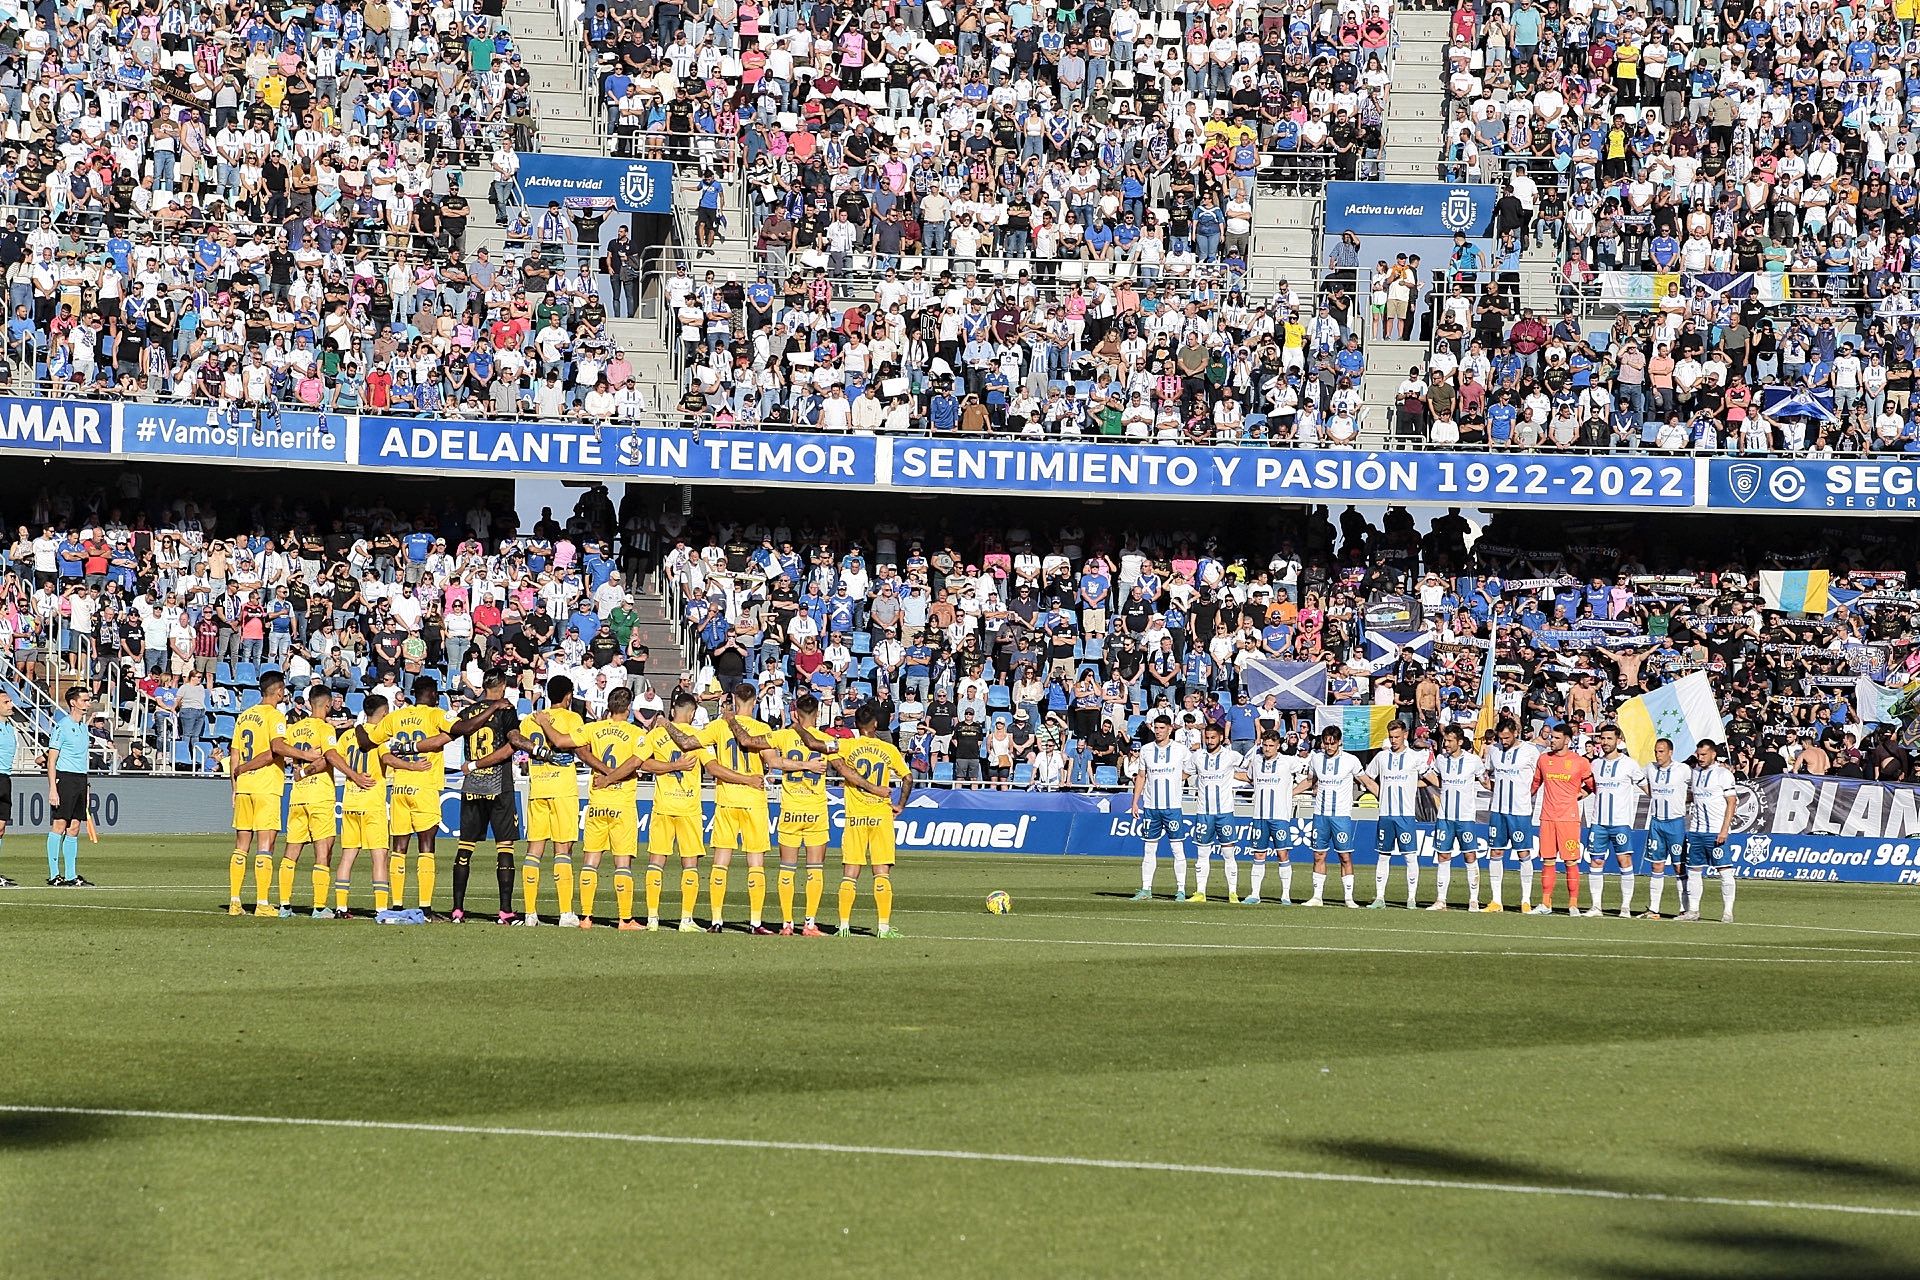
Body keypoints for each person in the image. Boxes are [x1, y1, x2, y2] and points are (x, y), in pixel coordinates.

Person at [354, 674, 503, 919]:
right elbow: (466, 727)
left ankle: (398, 907)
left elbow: (366, 743)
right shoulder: (435, 714)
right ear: (433, 694)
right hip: (424, 787)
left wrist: (359, 725)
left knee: (399, 848)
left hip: (400, 788)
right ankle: (424, 908)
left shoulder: (396, 717)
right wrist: (494, 706)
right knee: (426, 847)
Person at [227, 672, 319, 914]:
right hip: (266, 787)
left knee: (241, 845)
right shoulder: (275, 715)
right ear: (278, 691)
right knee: (265, 845)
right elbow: (275, 750)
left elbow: (234, 754)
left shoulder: (244, 716)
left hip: (244, 787)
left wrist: (235, 787)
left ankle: (235, 902)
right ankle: (263, 903)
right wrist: (306, 755)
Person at [698, 680, 779, 932]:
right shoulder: (761, 727)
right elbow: (771, 762)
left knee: (721, 860)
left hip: (727, 799)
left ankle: (716, 920)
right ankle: (755, 922)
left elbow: (695, 744)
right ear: (755, 702)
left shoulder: (718, 726)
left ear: (733, 701)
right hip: (754, 799)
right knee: (755, 862)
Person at [568, 687, 651, 929]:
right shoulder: (636, 733)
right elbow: (637, 762)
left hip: (597, 803)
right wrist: (612, 777)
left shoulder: (593, 728)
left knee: (590, 860)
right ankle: (625, 919)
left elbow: (575, 746)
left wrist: (601, 772)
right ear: (628, 709)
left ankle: (585, 918)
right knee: (622, 863)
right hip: (622, 804)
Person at [828, 701, 912, 938]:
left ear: (856, 725)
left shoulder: (847, 745)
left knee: (850, 872)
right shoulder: (888, 749)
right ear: (875, 724)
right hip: (880, 815)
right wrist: (900, 805)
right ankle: (883, 928)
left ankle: (843, 925)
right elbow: (907, 778)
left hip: (856, 817)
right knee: (881, 872)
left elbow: (829, 756)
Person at [454, 670, 531, 924]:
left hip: (472, 786)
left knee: (465, 848)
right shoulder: (505, 710)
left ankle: (457, 911)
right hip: (499, 784)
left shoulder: (468, 712)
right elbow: (512, 744)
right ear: (504, 686)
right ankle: (506, 911)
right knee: (505, 847)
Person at [767, 692, 842, 935]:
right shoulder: (824, 739)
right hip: (816, 810)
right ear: (818, 714)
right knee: (815, 869)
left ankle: (787, 923)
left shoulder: (785, 735)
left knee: (787, 867)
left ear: (796, 714)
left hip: (791, 810)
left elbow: (775, 762)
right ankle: (809, 923)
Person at [639, 691, 710, 931]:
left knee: (656, 862)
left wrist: (668, 766)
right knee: (690, 864)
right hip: (689, 808)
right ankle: (686, 920)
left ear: (672, 712)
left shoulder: (656, 734)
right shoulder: (698, 737)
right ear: (691, 714)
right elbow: (711, 767)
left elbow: (642, 763)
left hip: (663, 805)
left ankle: (652, 919)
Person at [518, 675, 586, 925]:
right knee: (563, 850)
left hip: (537, 789)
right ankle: (566, 912)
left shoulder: (530, 720)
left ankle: (530, 913)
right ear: (568, 696)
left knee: (534, 851)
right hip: (563, 790)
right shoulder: (572, 718)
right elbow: (575, 747)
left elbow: (522, 749)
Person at [1294, 726, 1378, 907]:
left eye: (1332, 743)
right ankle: (1317, 897)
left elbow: (1366, 781)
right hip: (1320, 815)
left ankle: (1349, 898)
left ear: (1340, 742)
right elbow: (1310, 781)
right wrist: (1290, 793)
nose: (1329, 746)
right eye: (1326, 743)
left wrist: (1383, 797)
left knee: (1345, 857)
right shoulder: (1316, 759)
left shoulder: (1351, 760)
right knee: (1318, 855)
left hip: (1341, 816)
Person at [284, 686, 346, 918]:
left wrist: (300, 770)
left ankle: (284, 906)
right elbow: (327, 758)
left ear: (310, 703)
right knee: (323, 851)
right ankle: (319, 907)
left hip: (297, 795)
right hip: (319, 794)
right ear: (328, 705)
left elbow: (288, 755)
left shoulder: (294, 729)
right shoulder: (326, 728)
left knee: (292, 851)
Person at [332, 693, 393, 917]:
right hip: (372, 803)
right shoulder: (380, 737)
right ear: (384, 713)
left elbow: (333, 756)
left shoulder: (348, 735)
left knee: (347, 856)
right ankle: (381, 909)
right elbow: (387, 759)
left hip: (350, 802)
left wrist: (351, 774)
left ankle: (340, 907)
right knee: (379, 856)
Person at [1529, 722, 1595, 916]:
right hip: (1548, 817)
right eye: (1551, 737)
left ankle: (1573, 904)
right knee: (1548, 861)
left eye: (1556, 738)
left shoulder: (1579, 762)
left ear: (1567, 740)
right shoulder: (1543, 760)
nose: (1552, 741)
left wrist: (1580, 795)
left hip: (1569, 818)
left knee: (1570, 862)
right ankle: (1545, 903)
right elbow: (1535, 784)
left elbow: (1592, 785)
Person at [1128, 713, 1193, 901]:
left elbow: (1192, 767)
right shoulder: (1147, 750)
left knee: (1177, 849)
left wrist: (1178, 780)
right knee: (1149, 849)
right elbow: (1141, 776)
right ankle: (1146, 889)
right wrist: (1135, 802)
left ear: (1170, 729)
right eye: (1156, 728)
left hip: (1172, 807)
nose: (1158, 731)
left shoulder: (1180, 750)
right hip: (1151, 807)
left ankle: (1181, 889)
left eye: (1162, 728)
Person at [1422, 725, 1486, 911]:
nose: (1446, 744)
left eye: (1450, 741)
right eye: (1445, 740)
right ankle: (1441, 900)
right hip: (1445, 816)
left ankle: (1473, 899)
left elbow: (1485, 780)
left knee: (1470, 855)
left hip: (1465, 817)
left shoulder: (1473, 761)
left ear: (1459, 742)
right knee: (1443, 855)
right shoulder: (1441, 760)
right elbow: (1435, 778)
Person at [1365, 719, 1426, 909]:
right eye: (1391, 737)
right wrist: (1379, 792)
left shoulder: (1415, 757)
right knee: (1383, 856)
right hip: (1385, 814)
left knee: (1410, 856)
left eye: (1397, 737)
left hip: (1405, 815)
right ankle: (1380, 898)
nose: (1393, 740)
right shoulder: (1382, 757)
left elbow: (1429, 778)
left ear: (1405, 736)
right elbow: (1367, 777)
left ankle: (1411, 899)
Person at [1237, 730, 1303, 905]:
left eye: (1271, 746)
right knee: (1259, 854)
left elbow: (1310, 776)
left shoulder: (1289, 762)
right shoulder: (1256, 762)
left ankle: (1286, 896)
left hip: (1280, 816)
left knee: (1282, 854)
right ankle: (1254, 894)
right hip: (1259, 815)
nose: (1267, 749)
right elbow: (1250, 778)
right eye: (1265, 745)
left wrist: (1293, 792)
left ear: (1278, 746)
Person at [1586, 724, 1645, 919]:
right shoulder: (1595, 764)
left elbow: (1647, 788)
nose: (1604, 742)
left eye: (1609, 739)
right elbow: (1589, 789)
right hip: (1598, 822)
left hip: (1620, 822)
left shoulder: (1629, 764)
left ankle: (1625, 907)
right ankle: (1596, 907)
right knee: (1595, 861)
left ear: (1618, 741)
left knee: (1624, 860)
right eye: (1602, 738)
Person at [1481, 719, 1540, 912]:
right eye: (1501, 738)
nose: (1503, 741)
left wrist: (1526, 794)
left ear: (1516, 732)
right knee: (1496, 852)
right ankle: (1496, 901)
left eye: (1507, 737)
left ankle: (1525, 900)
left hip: (1520, 811)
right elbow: (1486, 774)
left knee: (1523, 853)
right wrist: (1491, 788)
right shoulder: (1494, 751)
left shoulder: (1530, 751)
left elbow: (1538, 778)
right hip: (1498, 810)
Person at [1681, 740, 1738, 923]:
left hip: (1715, 831)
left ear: (1713, 754)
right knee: (1694, 871)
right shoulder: (1695, 773)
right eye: (1698, 754)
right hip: (1696, 830)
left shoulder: (1723, 774)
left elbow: (1732, 803)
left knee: (1725, 870)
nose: (1700, 758)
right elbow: (1694, 797)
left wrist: (1724, 830)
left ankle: (1728, 912)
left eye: (1704, 754)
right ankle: (1693, 911)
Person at [1188, 722, 1242, 904]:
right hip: (1204, 812)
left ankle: (1233, 893)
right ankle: (1200, 892)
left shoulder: (1231, 756)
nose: (1209, 741)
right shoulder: (1197, 757)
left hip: (1225, 812)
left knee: (1229, 854)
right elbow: (1184, 774)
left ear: (1220, 737)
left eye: (1213, 737)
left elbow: (1250, 769)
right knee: (1202, 854)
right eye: (1207, 737)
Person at [1639, 737, 1688, 920]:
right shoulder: (1650, 768)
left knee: (1678, 866)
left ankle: (1685, 909)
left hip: (1675, 823)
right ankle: (1653, 909)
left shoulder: (1682, 770)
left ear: (1670, 752)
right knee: (1656, 865)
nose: (1658, 755)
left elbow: (1698, 781)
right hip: (1656, 823)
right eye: (1656, 751)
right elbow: (1637, 778)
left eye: (1661, 751)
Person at [0, 692, 16, 886]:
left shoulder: (10, 727)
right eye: (6, 702)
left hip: (5, 778)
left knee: (1, 828)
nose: (11, 704)